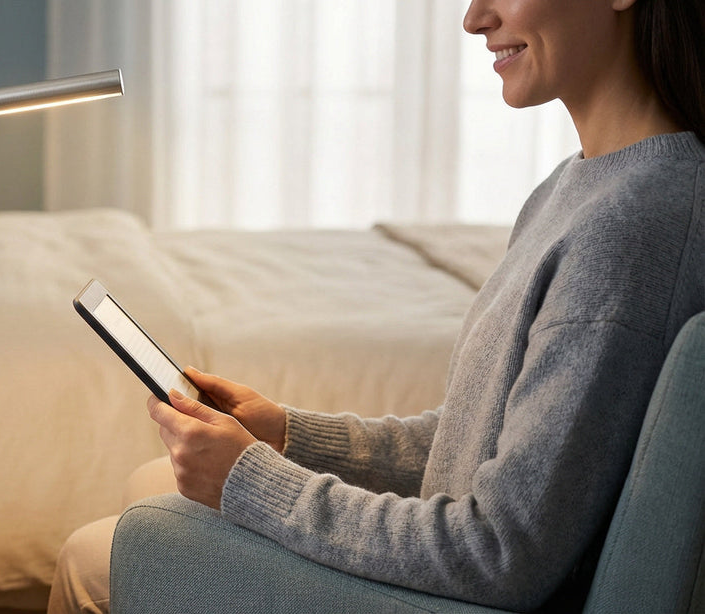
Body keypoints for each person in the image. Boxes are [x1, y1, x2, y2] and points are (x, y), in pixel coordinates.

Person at [48, 0, 705, 611]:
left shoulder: (630, 228)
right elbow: (475, 442)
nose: (474, 18)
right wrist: (288, 435)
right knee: (149, 483)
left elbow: (503, 552)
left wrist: (252, 480)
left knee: (89, 558)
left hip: (471, 594)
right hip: (464, 575)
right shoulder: (577, 186)